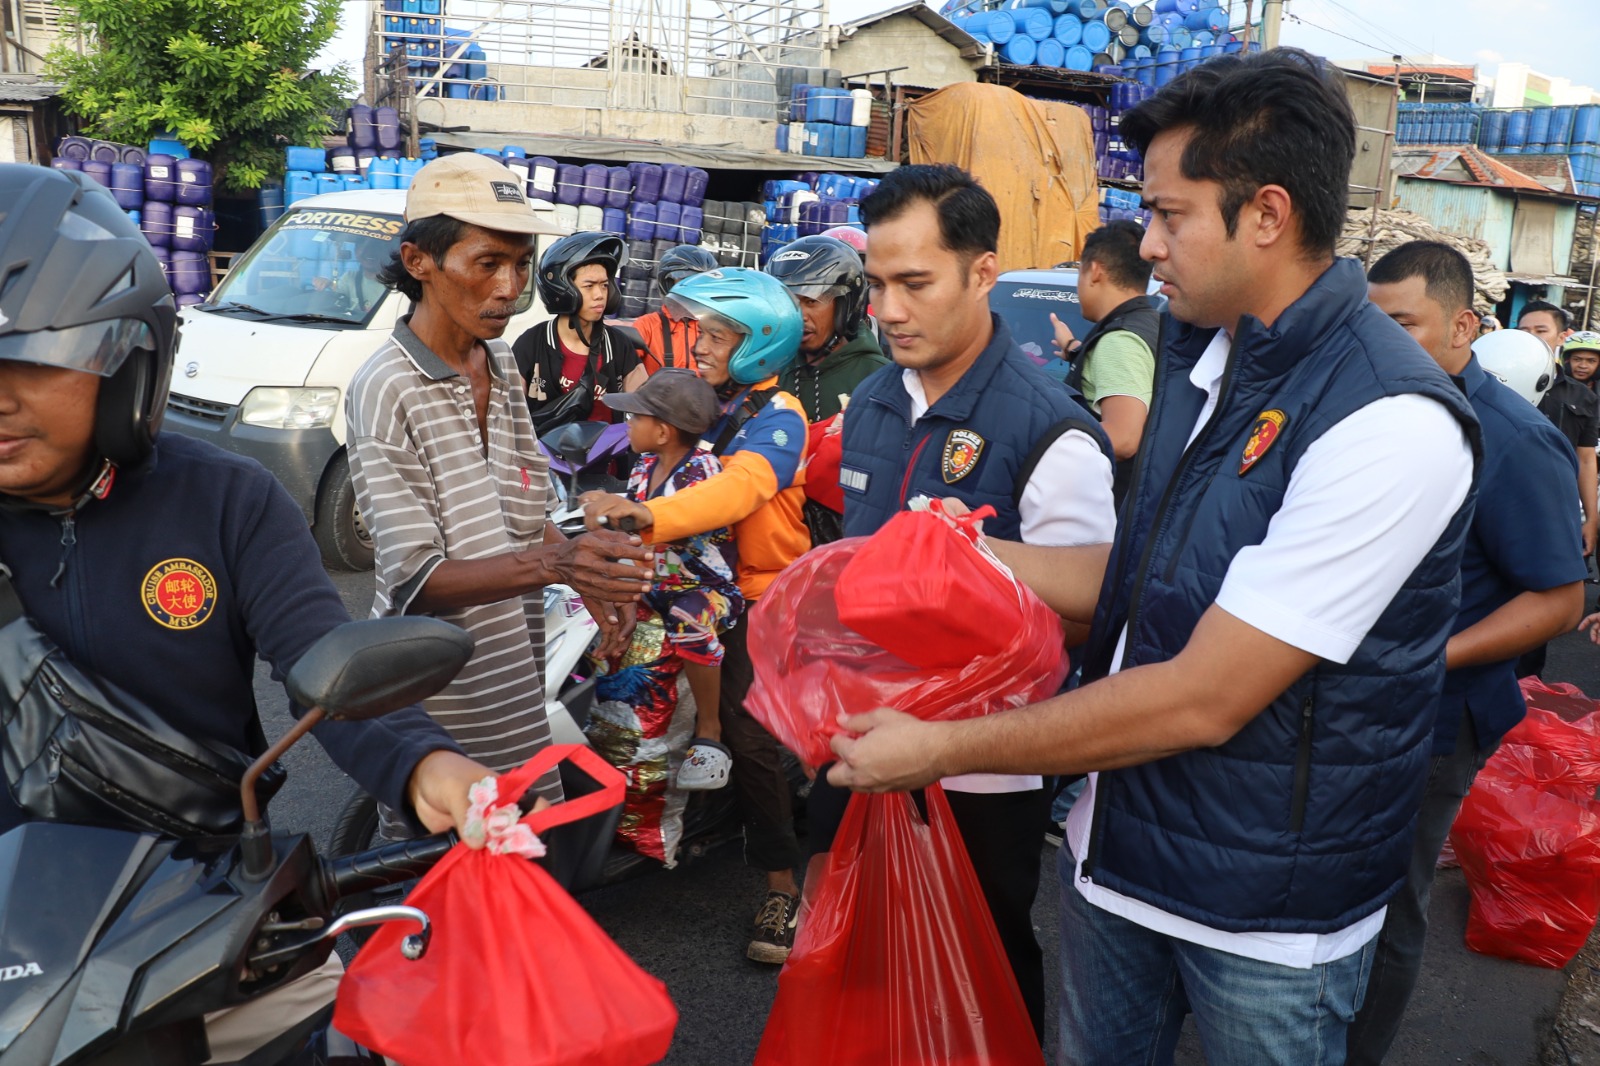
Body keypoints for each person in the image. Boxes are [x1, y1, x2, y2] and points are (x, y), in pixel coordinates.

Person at [826, 50, 1481, 1066]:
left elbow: (1205, 696)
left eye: (1170, 214)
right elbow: (1138, 581)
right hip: (1116, 855)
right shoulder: (1196, 353)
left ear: (1266, 215)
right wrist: (966, 548)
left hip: (1260, 915)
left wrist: (941, 747)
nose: (1146, 243)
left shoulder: (1389, 419)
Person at [0, 163, 494, 1060]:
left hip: (204, 923)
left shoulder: (226, 501)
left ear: (125, 357)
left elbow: (322, 655)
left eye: (31, 361)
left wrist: (428, 766)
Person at [826, 163, 1117, 1041]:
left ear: (982, 272)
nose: (889, 310)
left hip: (981, 772)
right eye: (877, 284)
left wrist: (967, 569)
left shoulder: (1051, 432)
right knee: (860, 971)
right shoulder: (874, 400)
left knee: (974, 977)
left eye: (915, 284)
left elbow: (1086, 612)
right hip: (858, 740)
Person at [348, 153, 654, 806]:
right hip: (438, 701)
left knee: (526, 841)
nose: (509, 287)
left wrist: (587, 579)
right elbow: (416, 578)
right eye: (487, 263)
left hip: (515, 680)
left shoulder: (501, 365)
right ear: (418, 261)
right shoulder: (386, 386)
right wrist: (559, 562)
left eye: (520, 264)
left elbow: (528, 514)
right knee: (450, 854)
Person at [1347, 242, 1585, 1065]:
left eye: (1403, 324)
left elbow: (1558, 598)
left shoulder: (1513, 439)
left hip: (1437, 716)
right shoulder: (1377, 412)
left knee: (1387, 902)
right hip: (1351, 706)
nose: (1381, 342)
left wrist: (1427, 657)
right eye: (1369, 324)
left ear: (1464, 327)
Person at [581, 268, 811, 965]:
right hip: (685, 577)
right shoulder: (714, 400)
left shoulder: (779, 418)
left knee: (746, 733)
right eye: (700, 332)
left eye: (717, 336)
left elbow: (737, 492)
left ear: (761, 342)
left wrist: (644, 514)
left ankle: (782, 888)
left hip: (759, 596)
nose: (700, 346)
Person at [605, 369, 744, 791]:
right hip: (655, 582)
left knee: (689, 617)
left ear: (664, 432)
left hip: (704, 588)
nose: (628, 425)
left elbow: (679, 528)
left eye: (636, 418)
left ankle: (709, 728)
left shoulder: (703, 470)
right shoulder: (643, 466)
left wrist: (618, 515)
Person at [764, 233, 889, 544]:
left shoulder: (880, 381)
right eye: (790, 302)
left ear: (846, 305)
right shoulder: (768, 371)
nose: (799, 315)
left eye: (811, 301)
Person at [1049, 218, 1160, 501]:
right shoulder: (1148, 322)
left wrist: (1045, 442)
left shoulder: (1119, 341)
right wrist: (1074, 349)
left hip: (1111, 506)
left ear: (1095, 271)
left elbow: (1124, 438)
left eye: (1080, 273)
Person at [512, 231, 646, 430]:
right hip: (542, 449)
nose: (599, 295)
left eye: (604, 285)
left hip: (606, 450)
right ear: (562, 289)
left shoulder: (618, 346)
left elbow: (645, 409)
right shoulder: (531, 344)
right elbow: (508, 413)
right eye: (589, 286)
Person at [632, 244, 717, 375]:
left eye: (701, 282)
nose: (693, 288)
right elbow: (624, 371)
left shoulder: (716, 329)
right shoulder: (647, 326)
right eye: (684, 280)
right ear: (668, 283)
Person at [337, 237, 391, 317]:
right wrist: (326, 284)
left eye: (375, 247)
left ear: (385, 252)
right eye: (364, 247)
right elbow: (336, 302)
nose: (369, 252)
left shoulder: (394, 283)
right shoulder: (349, 278)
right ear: (356, 252)